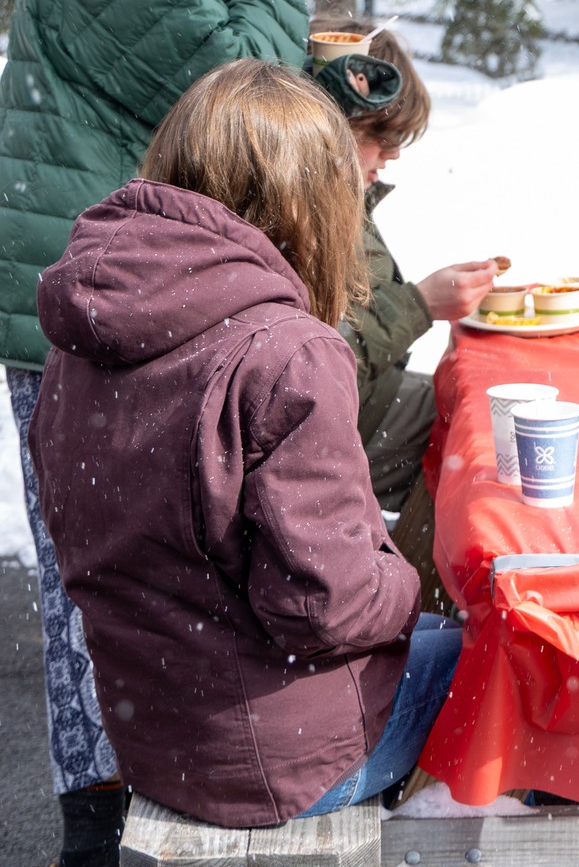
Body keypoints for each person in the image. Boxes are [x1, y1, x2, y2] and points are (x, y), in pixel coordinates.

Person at [0, 0, 308, 864]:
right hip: (85, 328)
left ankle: (143, 802)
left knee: (135, 570)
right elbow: (250, 86)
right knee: (103, 576)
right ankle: (103, 827)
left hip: (109, 308)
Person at [28, 60, 460, 827]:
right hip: (277, 761)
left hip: (155, 738)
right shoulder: (287, 353)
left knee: (434, 637)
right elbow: (327, 608)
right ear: (313, 199)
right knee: (511, 665)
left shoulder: (82, 335)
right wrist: (399, 577)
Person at [309, 19, 500, 521]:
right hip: (329, 435)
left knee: (479, 414)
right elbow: (318, 366)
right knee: (477, 442)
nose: (392, 154)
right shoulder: (302, 211)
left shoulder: (334, 198)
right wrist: (419, 306)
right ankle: (420, 588)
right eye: (379, 135)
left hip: (357, 413)